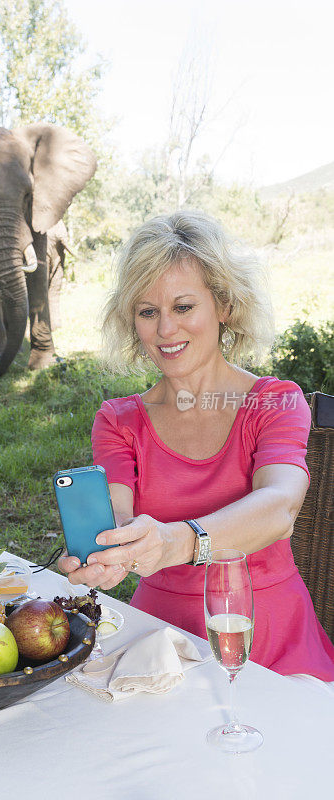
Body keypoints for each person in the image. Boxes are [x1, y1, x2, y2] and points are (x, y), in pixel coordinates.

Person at [58, 209, 334, 681]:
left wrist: (178, 542)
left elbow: (280, 507)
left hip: (265, 631)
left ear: (223, 306)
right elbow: (119, 516)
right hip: (161, 637)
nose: (166, 330)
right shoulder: (119, 420)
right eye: (148, 312)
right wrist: (113, 553)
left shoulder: (275, 401)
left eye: (183, 307)